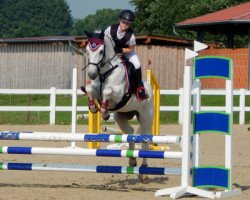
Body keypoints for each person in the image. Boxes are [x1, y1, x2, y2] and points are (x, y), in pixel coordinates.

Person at [104, 9, 149, 101]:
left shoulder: (131, 36)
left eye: (128, 23)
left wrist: (121, 50)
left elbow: (131, 49)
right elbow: (104, 41)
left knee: (137, 64)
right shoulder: (110, 29)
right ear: (119, 20)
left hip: (126, 51)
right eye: (123, 22)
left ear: (130, 24)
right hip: (111, 52)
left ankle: (140, 88)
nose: (125, 25)